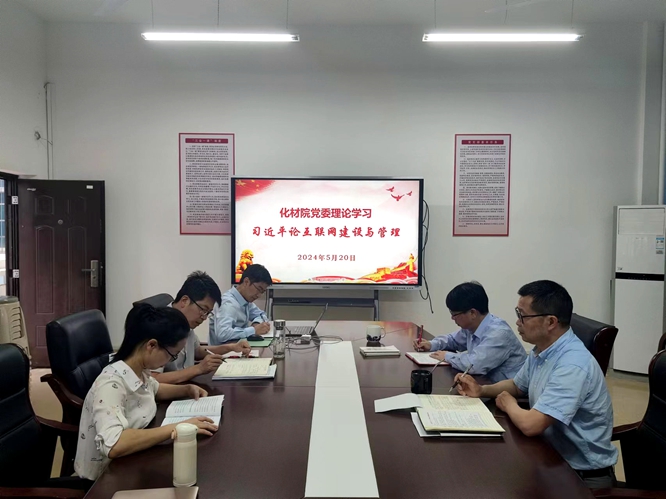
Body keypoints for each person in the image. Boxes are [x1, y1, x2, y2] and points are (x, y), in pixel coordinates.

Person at [455, 280, 618, 489]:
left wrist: (508, 404)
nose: (517, 322)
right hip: (549, 456)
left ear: (550, 322)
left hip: (581, 477)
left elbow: (531, 425)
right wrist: (482, 390)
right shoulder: (543, 349)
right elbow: (517, 385)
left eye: (523, 316)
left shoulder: (573, 365)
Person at [74, 304, 219, 481]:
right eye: (172, 355)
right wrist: (177, 427)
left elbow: (153, 389)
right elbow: (114, 444)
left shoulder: (139, 369)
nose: (171, 360)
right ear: (151, 345)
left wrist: (186, 389)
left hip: (134, 458)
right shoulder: (110, 384)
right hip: (106, 477)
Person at [413, 281, 526, 382]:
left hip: (511, 393)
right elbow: (452, 340)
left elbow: (474, 365)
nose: (452, 318)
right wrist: (431, 344)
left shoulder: (498, 334)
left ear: (472, 313)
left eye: (454, 314)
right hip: (486, 385)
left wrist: (446, 356)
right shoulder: (472, 326)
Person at [152, 271, 251, 384]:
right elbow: (152, 380)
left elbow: (197, 351)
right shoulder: (159, 325)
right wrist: (198, 369)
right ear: (185, 301)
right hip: (172, 391)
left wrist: (231, 347)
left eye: (208, 313)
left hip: (187, 385)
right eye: (203, 310)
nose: (204, 318)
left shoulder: (185, 321)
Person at [209, 264, 273, 345]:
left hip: (239, 348)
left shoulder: (245, 300)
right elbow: (223, 334)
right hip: (224, 351)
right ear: (246, 282)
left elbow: (261, 314)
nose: (259, 295)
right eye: (259, 289)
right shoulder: (228, 304)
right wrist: (253, 330)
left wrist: (256, 324)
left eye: (262, 292)